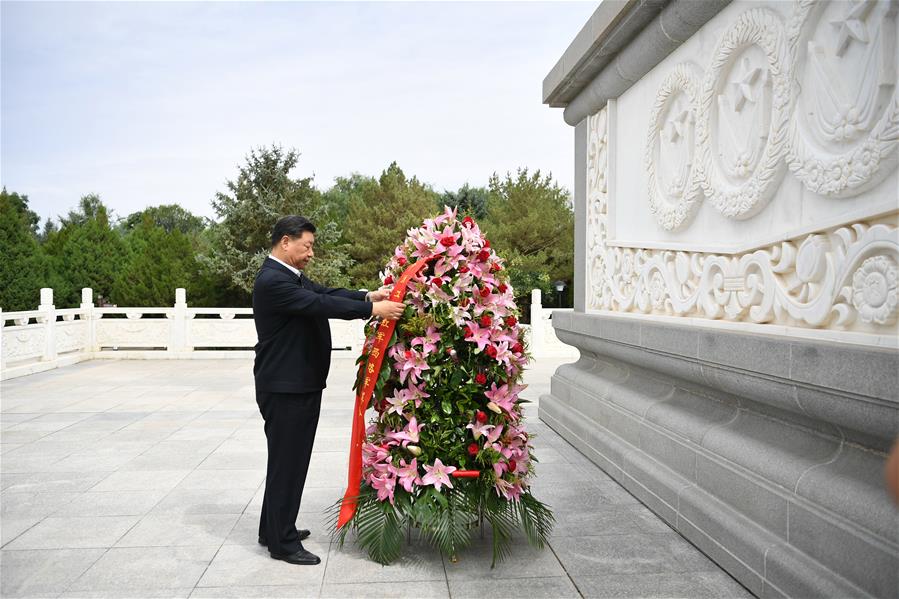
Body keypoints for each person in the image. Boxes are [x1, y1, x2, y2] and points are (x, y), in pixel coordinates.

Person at [252, 215, 404, 565]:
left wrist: (367, 295)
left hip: (294, 384)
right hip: (287, 387)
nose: (311, 253)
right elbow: (320, 305)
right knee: (288, 462)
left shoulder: (289, 276)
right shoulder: (273, 280)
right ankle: (283, 543)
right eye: (307, 246)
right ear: (285, 241)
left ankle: (272, 528)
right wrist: (372, 310)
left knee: (285, 461)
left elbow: (324, 293)